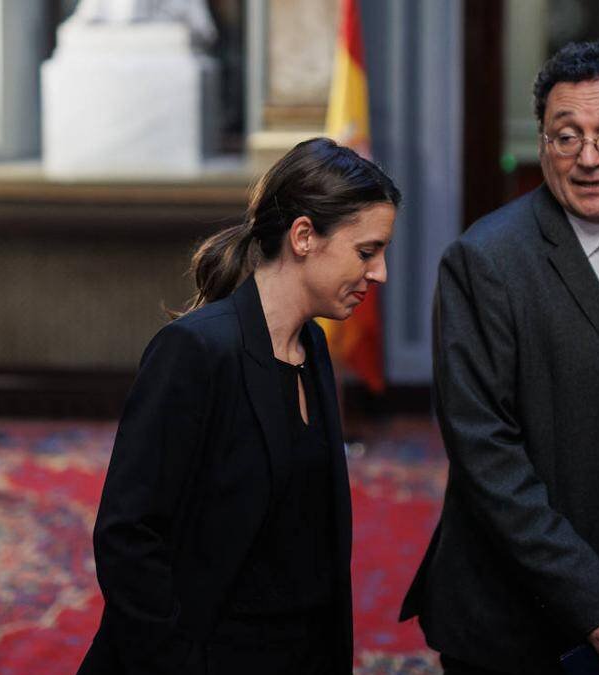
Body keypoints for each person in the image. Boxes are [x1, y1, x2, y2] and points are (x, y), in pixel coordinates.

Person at [400, 38, 599, 675]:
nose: (588, 159)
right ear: (543, 141)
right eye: (565, 136)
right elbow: (486, 458)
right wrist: (594, 599)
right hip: (526, 626)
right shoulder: (487, 262)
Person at [79, 137, 400, 674]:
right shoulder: (197, 350)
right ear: (303, 237)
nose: (380, 273)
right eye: (367, 252)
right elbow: (128, 536)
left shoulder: (313, 346)